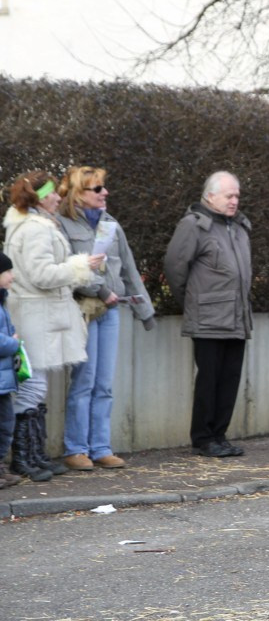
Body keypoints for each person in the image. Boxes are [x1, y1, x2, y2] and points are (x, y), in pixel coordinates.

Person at [3, 171, 103, 482]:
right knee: (32, 387)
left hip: (38, 314)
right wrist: (80, 266)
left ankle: (34, 455)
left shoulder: (33, 224)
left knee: (35, 387)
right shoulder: (34, 228)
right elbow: (42, 274)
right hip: (36, 315)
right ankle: (25, 458)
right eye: (52, 194)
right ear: (39, 198)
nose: (58, 198)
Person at [57, 166, 156, 471]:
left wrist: (146, 311)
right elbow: (65, 269)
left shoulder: (110, 224)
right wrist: (100, 290)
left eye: (103, 188)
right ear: (79, 193)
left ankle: (101, 447)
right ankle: (76, 449)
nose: (105, 193)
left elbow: (128, 267)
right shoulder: (61, 225)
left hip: (111, 311)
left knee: (104, 383)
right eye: (97, 189)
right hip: (82, 310)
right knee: (83, 381)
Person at [164, 171, 252, 459]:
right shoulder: (193, 226)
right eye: (229, 195)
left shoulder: (239, 228)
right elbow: (176, 269)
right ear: (210, 196)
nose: (234, 201)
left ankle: (219, 435)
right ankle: (203, 438)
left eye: (237, 195)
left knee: (229, 380)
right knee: (209, 380)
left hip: (236, 318)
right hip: (208, 319)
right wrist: (194, 303)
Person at [0, 253, 25, 489]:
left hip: (4, 380)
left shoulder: (2, 301)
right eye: (7, 271)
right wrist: (14, 343)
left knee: (6, 423)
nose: (12, 276)